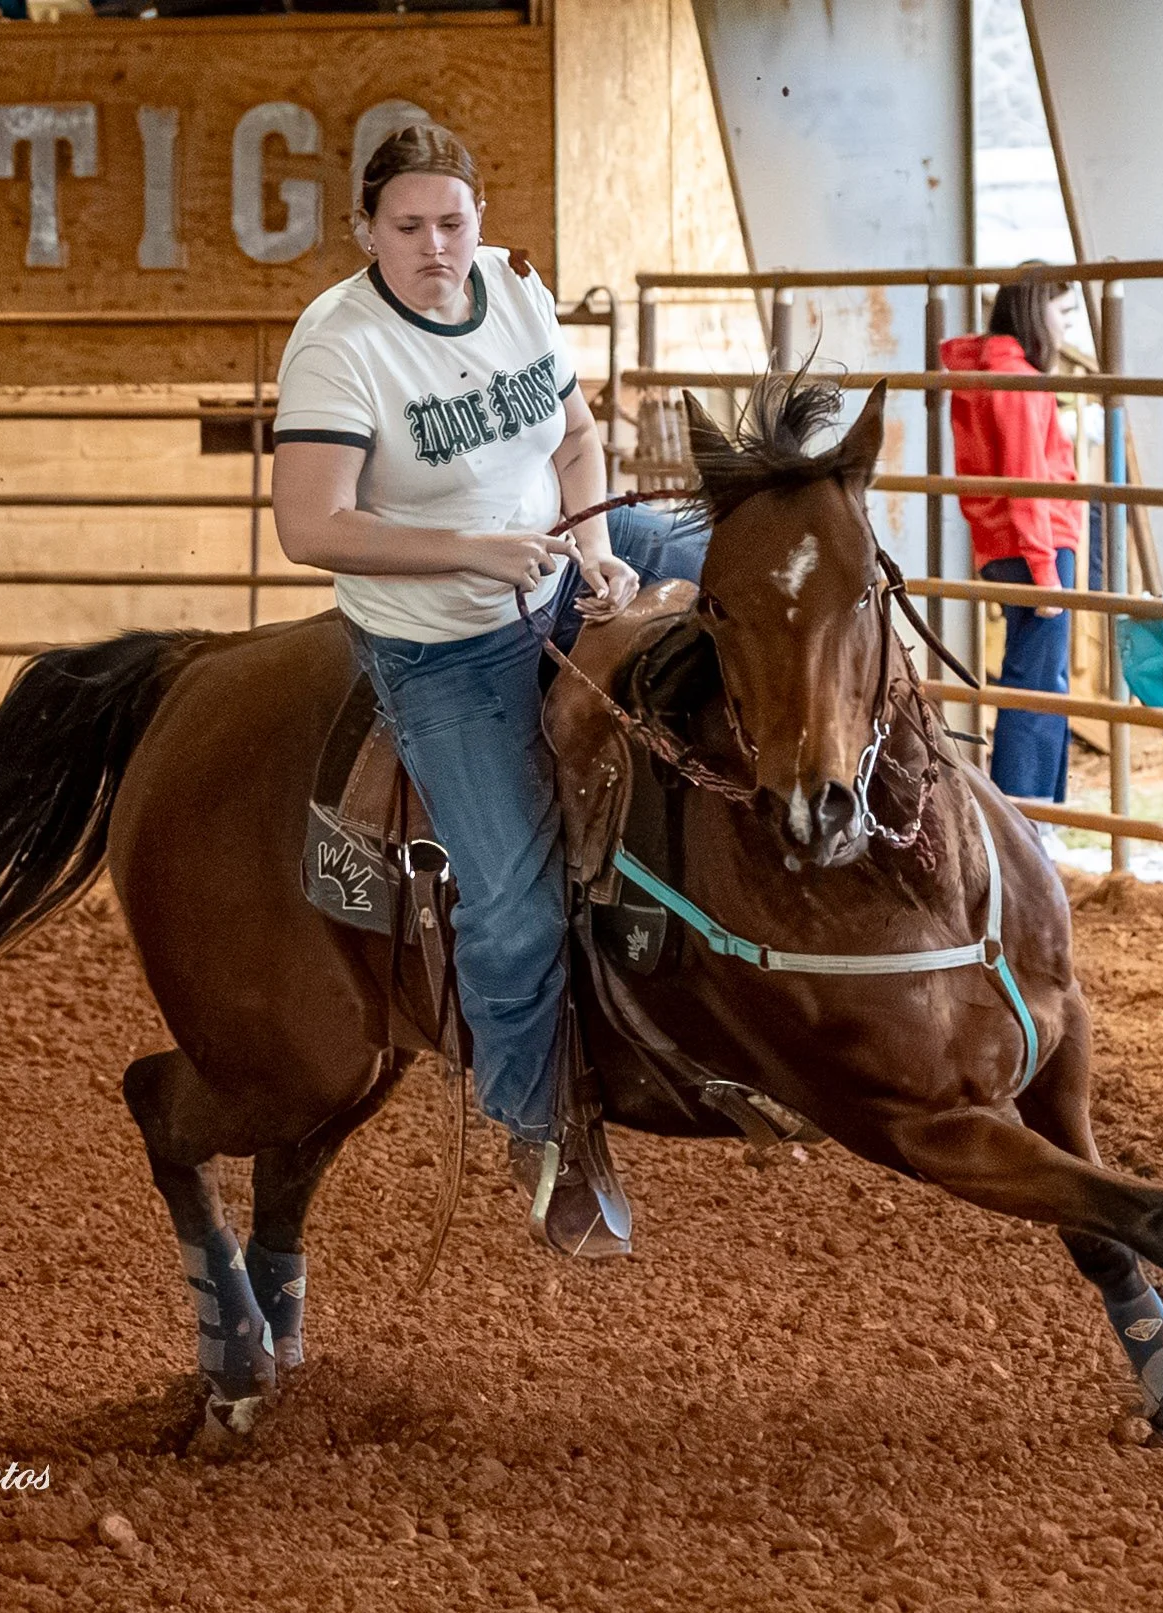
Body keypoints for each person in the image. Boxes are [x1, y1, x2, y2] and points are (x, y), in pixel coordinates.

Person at [270, 123, 704, 1259]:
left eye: (452, 222)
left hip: (559, 557)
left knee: (762, 573)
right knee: (511, 902)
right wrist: (474, 551)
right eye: (408, 225)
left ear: (478, 221)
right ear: (366, 230)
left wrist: (599, 546)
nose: (435, 246)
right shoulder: (339, 346)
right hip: (444, 640)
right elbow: (309, 526)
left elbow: (576, 438)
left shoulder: (514, 289)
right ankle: (537, 1118)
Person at [940, 271, 1088, 820]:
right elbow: (1027, 479)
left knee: (1038, 677)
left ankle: (1036, 813)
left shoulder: (983, 375)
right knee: (1036, 682)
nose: (1066, 327)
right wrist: (1046, 570)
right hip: (1036, 545)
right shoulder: (1019, 381)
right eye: (1062, 313)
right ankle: (1023, 816)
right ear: (1035, 312)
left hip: (1006, 545)